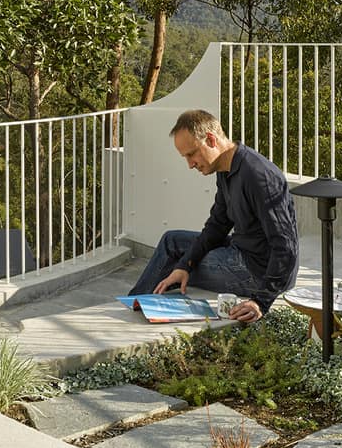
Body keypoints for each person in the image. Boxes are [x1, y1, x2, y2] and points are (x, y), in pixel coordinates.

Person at [127, 108, 299, 324]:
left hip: (258, 272)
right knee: (172, 242)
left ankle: (138, 309)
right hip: (242, 251)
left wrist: (261, 301)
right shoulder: (226, 170)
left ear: (210, 139)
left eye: (191, 154)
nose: (190, 164)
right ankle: (138, 303)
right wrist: (185, 265)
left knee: (169, 261)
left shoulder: (258, 176)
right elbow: (217, 225)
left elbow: (286, 246)